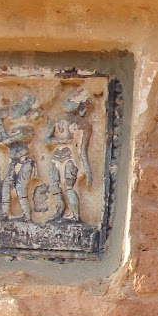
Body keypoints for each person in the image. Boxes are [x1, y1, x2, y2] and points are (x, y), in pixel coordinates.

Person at [45, 90, 93, 222]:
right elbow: (46, 140)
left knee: (69, 187)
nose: (68, 103)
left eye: (73, 101)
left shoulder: (82, 124)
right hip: (56, 158)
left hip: (71, 159)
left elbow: (83, 149)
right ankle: (60, 211)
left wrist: (86, 169)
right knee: (55, 185)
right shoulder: (56, 120)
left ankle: (75, 216)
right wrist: (62, 141)